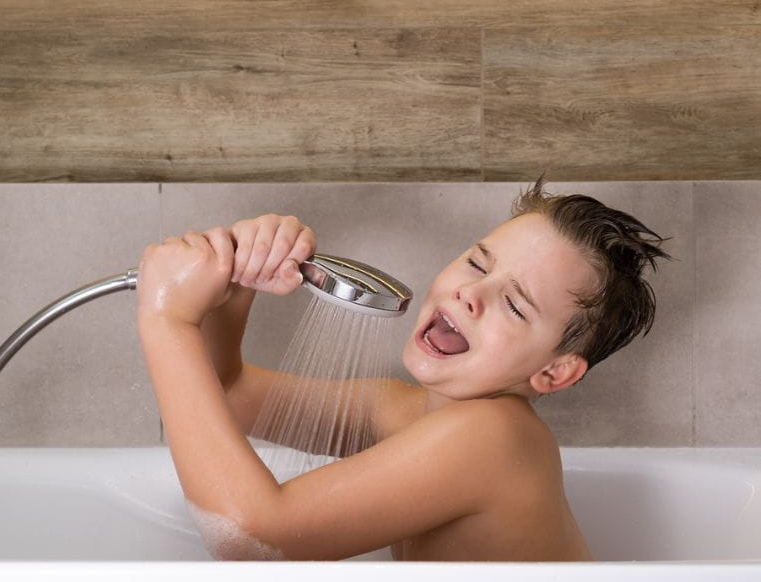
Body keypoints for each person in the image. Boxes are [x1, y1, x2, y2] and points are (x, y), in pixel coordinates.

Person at [135, 176, 672, 561]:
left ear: (555, 373)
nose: (469, 293)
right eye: (477, 263)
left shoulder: (498, 437)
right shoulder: (405, 410)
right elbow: (228, 394)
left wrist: (168, 321)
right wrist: (232, 294)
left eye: (514, 305)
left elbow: (253, 537)